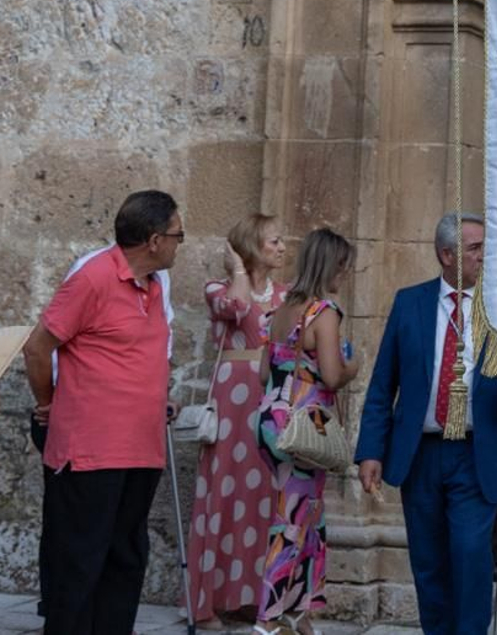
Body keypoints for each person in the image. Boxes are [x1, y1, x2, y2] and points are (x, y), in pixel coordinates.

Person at [354, 212, 497, 635]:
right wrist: (370, 451)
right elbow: (383, 383)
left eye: (487, 247)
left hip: (475, 453)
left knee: (471, 555)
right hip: (420, 454)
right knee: (429, 562)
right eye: (475, 248)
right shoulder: (410, 303)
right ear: (446, 255)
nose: (485, 256)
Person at [22, 190, 181, 635]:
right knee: (79, 563)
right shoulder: (93, 277)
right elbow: (37, 347)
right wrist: (47, 403)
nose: (179, 245)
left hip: (141, 447)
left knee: (125, 560)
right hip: (90, 449)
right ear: (154, 240)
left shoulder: (155, 285)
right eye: (177, 235)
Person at [188, 213, 290, 629]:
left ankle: (249, 595)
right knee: (224, 490)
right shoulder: (219, 288)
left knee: (263, 494)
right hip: (233, 399)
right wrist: (239, 271)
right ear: (250, 247)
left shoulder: (285, 294)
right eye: (273, 241)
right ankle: (207, 602)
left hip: (270, 395)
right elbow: (238, 307)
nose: (282, 248)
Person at [254, 227, 358, 635]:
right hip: (305, 428)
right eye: (343, 267)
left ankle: (299, 610)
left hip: (272, 420)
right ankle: (267, 619)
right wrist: (353, 367)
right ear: (331, 266)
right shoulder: (324, 312)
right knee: (293, 521)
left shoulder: (282, 309)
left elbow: (264, 372)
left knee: (307, 514)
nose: (345, 274)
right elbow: (332, 375)